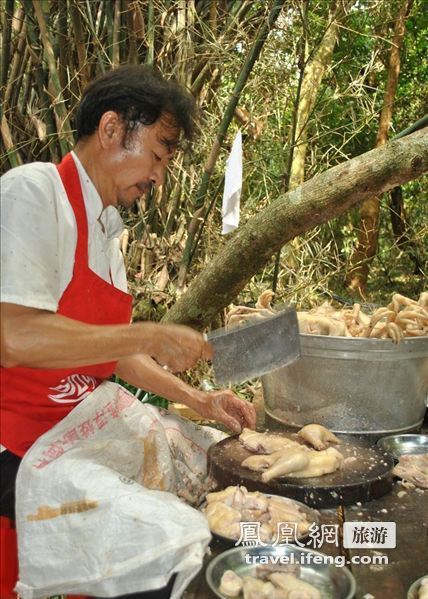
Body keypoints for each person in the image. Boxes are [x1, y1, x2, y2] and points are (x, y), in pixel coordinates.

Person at [0, 65, 256, 599]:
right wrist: (143, 334)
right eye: (159, 156)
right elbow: (14, 338)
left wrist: (200, 400)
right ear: (112, 129)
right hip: (16, 440)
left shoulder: (108, 234)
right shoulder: (31, 194)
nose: (159, 177)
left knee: (202, 470)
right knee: (168, 542)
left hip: (78, 422)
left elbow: (111, 356)